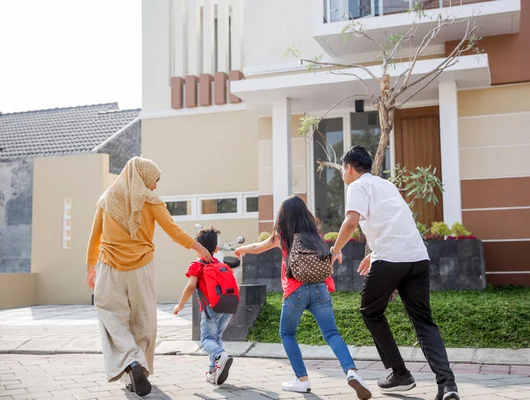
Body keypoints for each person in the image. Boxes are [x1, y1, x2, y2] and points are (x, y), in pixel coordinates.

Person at [329, 145, 459, 400]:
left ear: (349, 168)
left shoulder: (356, 186)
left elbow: (351, 221)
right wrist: (373, 252)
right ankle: (448, 385)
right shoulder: (385, 185)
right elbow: (395, 222)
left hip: (391, 258)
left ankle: (400, 373)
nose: (343, 175)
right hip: (418, 257)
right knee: (424, 322)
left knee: (370, 311)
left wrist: (334, 250)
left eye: (342, 170)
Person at [86, 157, 212, 397]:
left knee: (112, 316)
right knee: (143, 319)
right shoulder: (151, 200)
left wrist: (89, 267)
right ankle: (138, 367)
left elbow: (95, 237)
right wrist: (197, 246)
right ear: (143, 177)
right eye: (154, 180)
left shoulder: (107, 199)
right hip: (141, 269)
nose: (154, 186)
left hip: (109, 268)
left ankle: (131, 362)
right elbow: (173, 230)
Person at [234, 196, 372, 400]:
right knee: (332, 334)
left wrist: (242, 249)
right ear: (304, 213)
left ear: (283, 215)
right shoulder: (315, 234)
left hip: (294, 290)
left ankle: (302, 380)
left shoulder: (282, 235)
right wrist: (337, 255)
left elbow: (258, 247)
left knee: (287, 333)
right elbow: (334, 254)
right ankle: (351, 371)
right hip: (320, 288)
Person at [173, 227, 235, 386]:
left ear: (197, 248)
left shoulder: (197, 265)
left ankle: (221, 355)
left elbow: (191, 286)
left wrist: (180, 305)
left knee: (206, 341)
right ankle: (213, 371)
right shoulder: (219, 263)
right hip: (229, 308)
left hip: (210, 310)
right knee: (217, 338)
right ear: (216, 249)